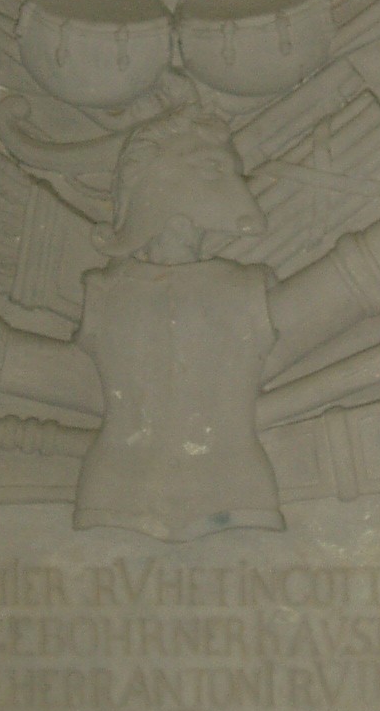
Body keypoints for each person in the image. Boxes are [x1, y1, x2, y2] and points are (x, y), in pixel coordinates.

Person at [72, 105, 284, 541]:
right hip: (135, 494)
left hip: (228, 493)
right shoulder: (104, 291)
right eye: (214, 170)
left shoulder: (246, 287)